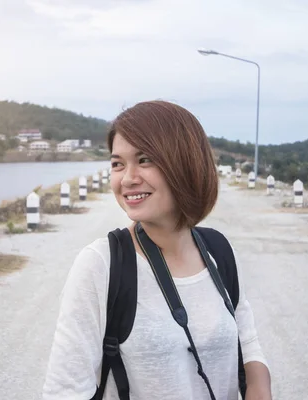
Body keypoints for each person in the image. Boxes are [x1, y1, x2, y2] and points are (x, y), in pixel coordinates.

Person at [42, 100, 271, 400]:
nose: (127, 178)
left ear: (186, 163)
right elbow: (65, 392)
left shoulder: (218, 251)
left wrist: (258, 389)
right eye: (117, 163)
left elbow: (249, 347)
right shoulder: (102, 264)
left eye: (145, 159)